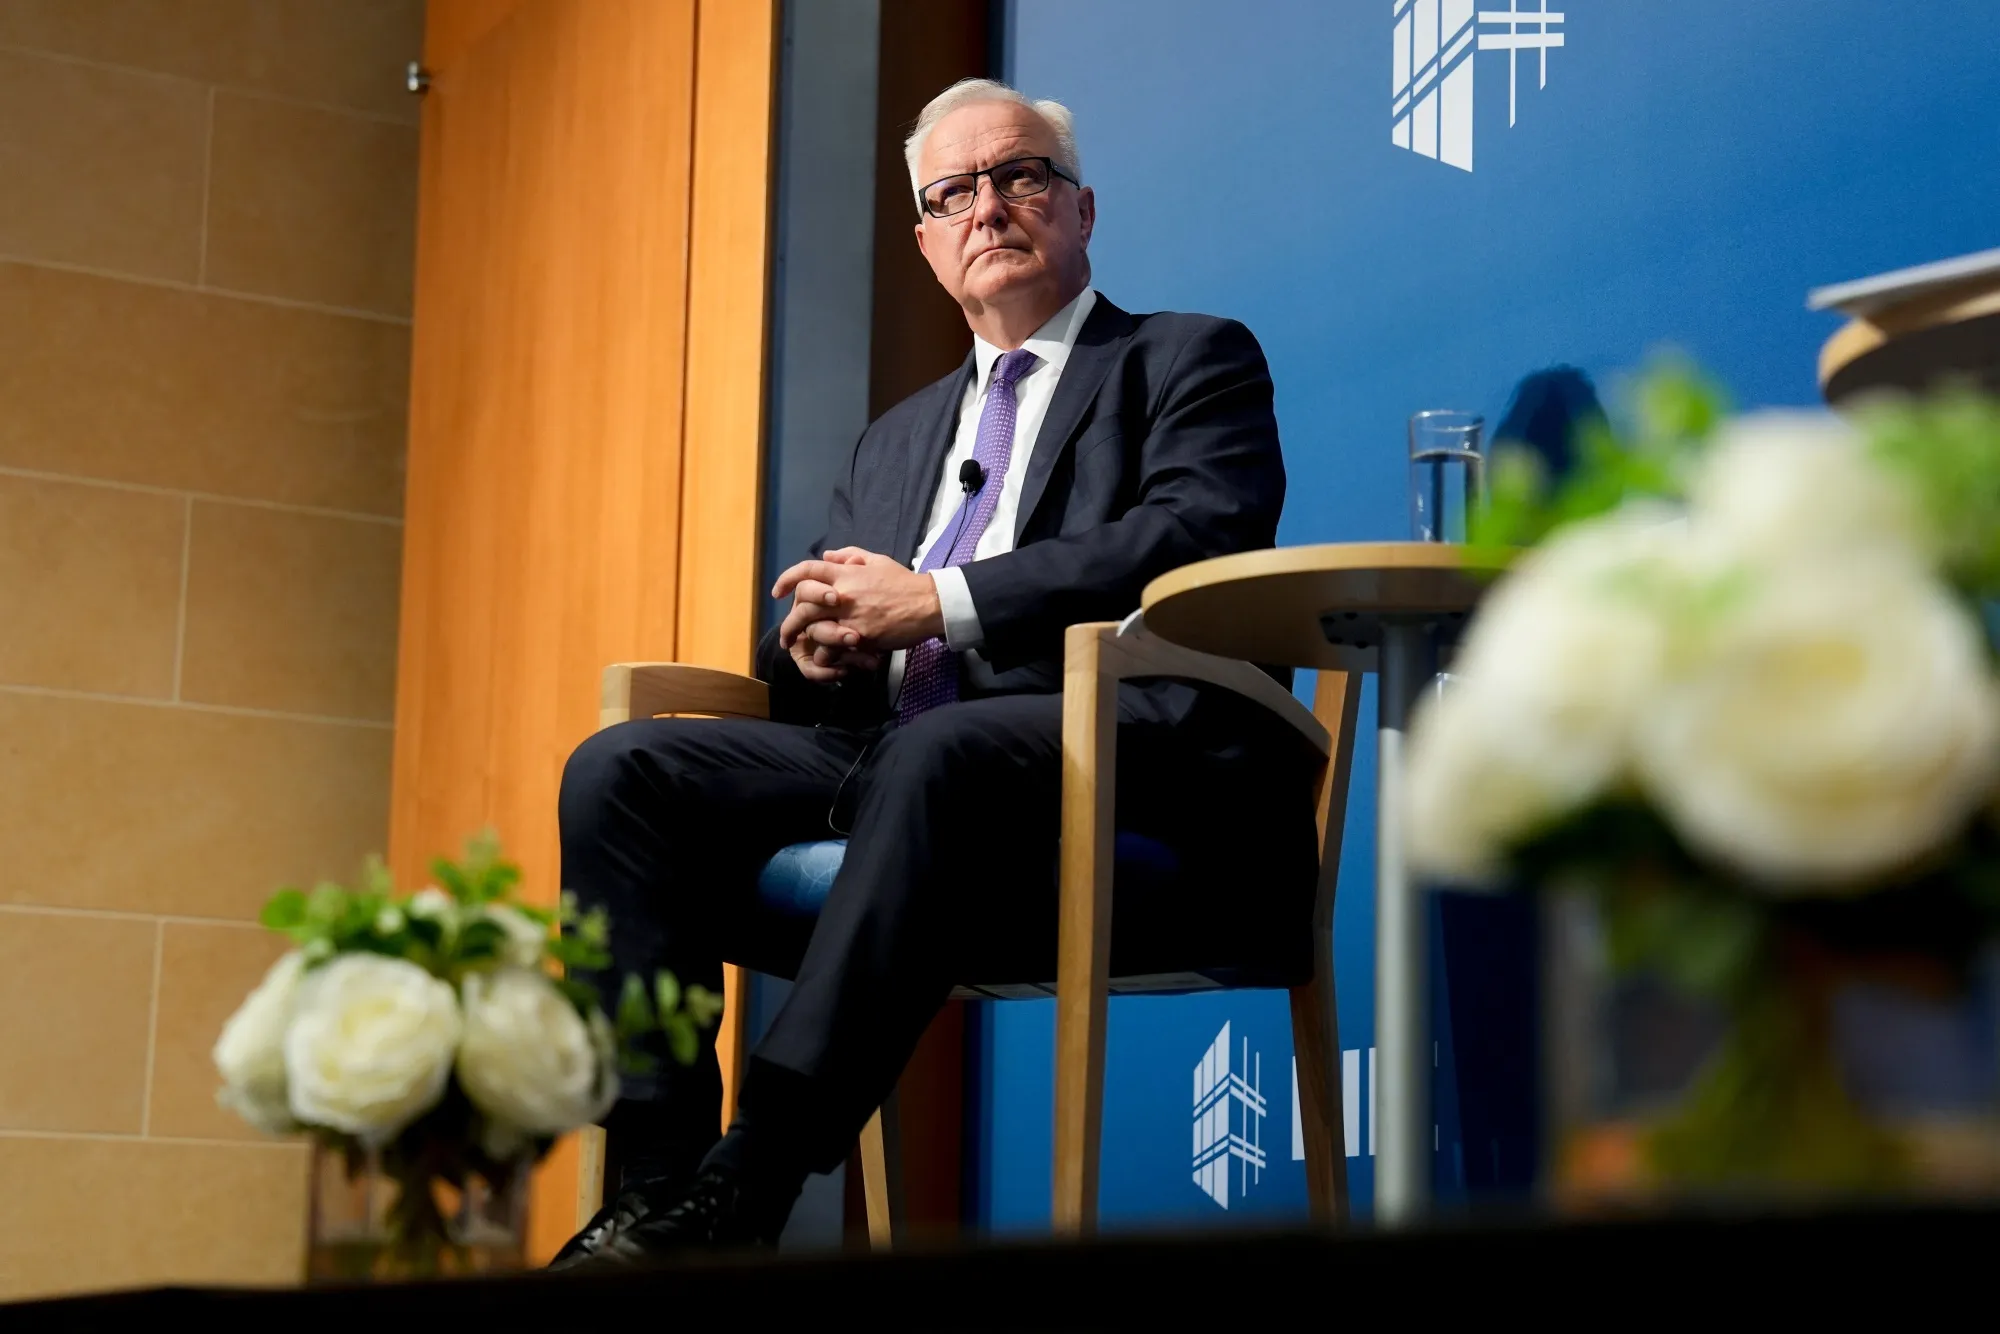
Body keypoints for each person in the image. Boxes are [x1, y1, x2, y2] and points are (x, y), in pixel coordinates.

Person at [551, 78, 1316, 1266]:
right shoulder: (896, 436)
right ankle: (654, 1193)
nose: (987, 208)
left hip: (1114, 748)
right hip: (901, 751)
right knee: (623, 768)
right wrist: (814, 647)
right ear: (924, 241)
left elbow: (1188, 537)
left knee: (937, 746)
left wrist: (940, 601)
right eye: (951, 194)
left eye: (1019, 176)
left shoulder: (1183, 358)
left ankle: (751, 1174)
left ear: (1080, 208)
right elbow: (831, 616)